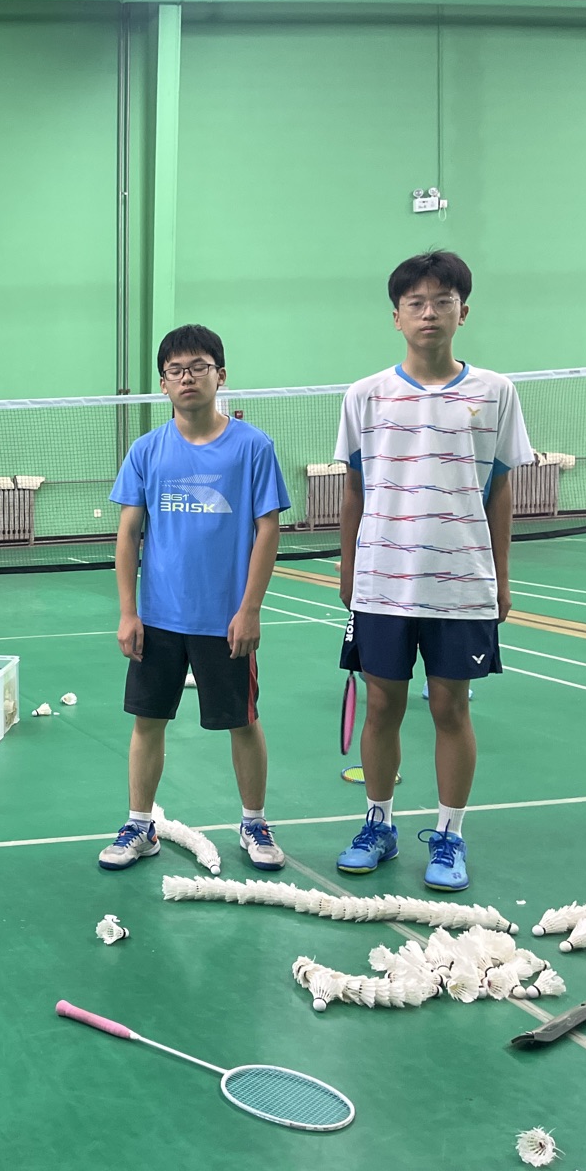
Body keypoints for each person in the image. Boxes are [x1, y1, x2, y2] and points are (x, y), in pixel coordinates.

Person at [334, 251, 531, 892]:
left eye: (442, 301)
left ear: (462, 312)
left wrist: (501, 579)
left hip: (462, 582)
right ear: (396, 317)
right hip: (383, 581)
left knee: (451, 707)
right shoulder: (364, 396)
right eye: (415, 303)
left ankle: (449, 834)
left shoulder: (496, 393)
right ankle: (379, 823)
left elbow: (501, 491)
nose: (428, 313)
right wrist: (349, 570)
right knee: (381, 706)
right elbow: (354, 491)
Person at [98, 325, 291, 873]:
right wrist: (128, 612)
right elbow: (128, 534)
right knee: (147, 721)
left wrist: (249, 610)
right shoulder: (147, 450)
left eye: (198, 367)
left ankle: (254, 822)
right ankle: (140, 825)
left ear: (220, 375)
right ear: (163, 383)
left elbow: (268, 529)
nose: (187, 377)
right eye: (176, 370)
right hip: (159, 618)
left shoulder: (252, 447)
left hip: (224, 620)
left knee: (242, 722)